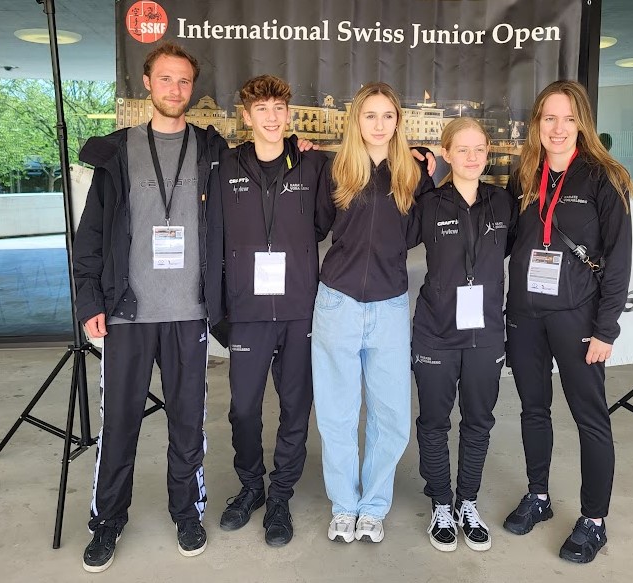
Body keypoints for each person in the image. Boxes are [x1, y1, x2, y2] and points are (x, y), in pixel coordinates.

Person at [72, 42, 227, 572]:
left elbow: (264, 167)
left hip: (188, 313)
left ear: (193, 87)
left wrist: (301, 147)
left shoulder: (211, 150)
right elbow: (91, 235)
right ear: (147, 83)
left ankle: (187, 513)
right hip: (126, 315)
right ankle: (107, 520)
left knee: (188, 424)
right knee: (119, 424)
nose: (175, 89)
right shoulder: (118, 152)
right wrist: (89, 300)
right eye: (165, 79)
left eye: (183, 81)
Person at [501, 80, 633, 563]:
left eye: (569, 119)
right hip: (525, 315)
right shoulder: (524, 176)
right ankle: (538, 496)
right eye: (549, 118)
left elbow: (618, 260)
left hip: (577, 316)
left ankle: (594, 520)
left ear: (583, 125)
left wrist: (605, 329)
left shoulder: (603, 178)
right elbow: (505, 238)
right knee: (533, 409)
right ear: (537, 123)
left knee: (590, 418)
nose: (558, 129)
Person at [312, 81, 434, 544]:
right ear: (356, 121)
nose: (379, 124)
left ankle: (373, 507)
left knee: (391, 414)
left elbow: (417, 232)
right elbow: (316, 225)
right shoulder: (335, 170)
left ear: (398, 121)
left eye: (387, 115)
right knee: (337, 413)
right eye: (370, 115)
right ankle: (344, 505)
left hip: (389, 305)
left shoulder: (413, 174)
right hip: (337, 302)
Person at [217, 75, 332, 546]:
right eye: (261, 109)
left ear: (289, 114)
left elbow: (325, 222)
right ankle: (251, 487)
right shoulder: (224, 165)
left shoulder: (313, 164)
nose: (271, 117)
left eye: (279, 108)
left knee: (294, 407)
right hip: (246, 309)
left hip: (299, 307)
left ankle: (281, 495)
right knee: (243, 408)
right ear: (246, 116)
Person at [407, 117, 513, 552]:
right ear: (446, 153)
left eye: (479, 149)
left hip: (486, 333)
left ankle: (467, 502)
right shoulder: (429, 204)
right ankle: (440, 504)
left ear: (488, 153)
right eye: (462, 149)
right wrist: (417, 177)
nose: (472, 157)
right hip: (435, 332)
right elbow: (395, 236)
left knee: (479, 421)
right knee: (434, 422)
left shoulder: (503, 203)